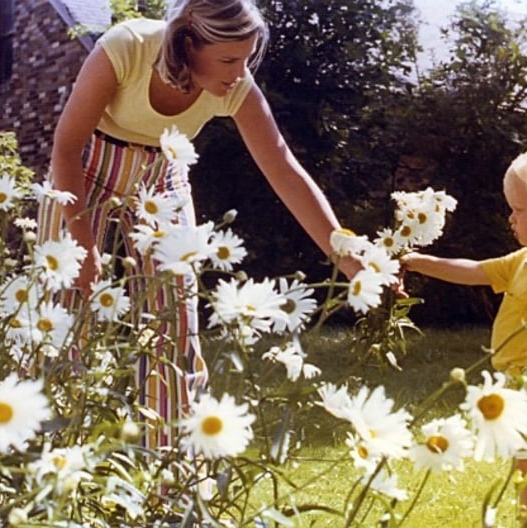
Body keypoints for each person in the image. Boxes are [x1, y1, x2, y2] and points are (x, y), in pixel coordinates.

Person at [36, 0, 359, 449]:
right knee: (62, 315)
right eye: (228, 59)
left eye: (247, 58)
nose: (239, 71)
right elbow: (66, 147)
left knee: (176, 326)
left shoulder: (235, 85)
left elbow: (284, 168)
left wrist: (346, 254)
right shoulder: (126, 46)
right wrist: (85, 246)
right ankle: (45, 461)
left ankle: (175, 490)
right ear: (187, 44)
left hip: (161, 176)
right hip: (85, 165)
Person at [399, 141, 527, 516]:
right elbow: (477, 271)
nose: (510, 218)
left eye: (518, 209)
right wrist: (421, 262)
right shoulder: (526, 259)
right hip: (519, 386)